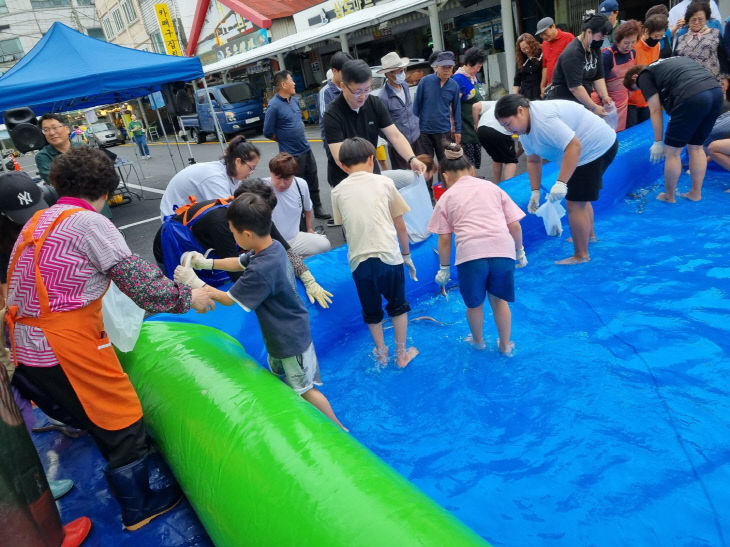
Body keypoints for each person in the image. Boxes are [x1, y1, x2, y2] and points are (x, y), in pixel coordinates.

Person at [5, 147, 214, 531]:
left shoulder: (40, 220)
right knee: (120, 417)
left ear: (55, 184)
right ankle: (138, 508)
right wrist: (190, 297)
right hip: (61, 346)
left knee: (94, 414)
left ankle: (123, 467)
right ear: (106, 191)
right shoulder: (91, 224)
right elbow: (139, 283)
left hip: (26, 347)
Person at [173, 193, 347, 431]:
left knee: (307, 391)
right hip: (279, 336)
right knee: (280, 381)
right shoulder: (270, 247)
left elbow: (227, 300)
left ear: (246, 234)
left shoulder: (263, 269)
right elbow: (238, 262)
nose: (231, 236)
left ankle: (339, 429)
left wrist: (195, 282)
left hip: (291, 341)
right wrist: (207, 264)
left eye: (233, 232)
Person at [158, 179, 333, 307]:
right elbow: (236, 268)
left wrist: (308, 279)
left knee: (205, 283)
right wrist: (206, 264)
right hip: (174, 242)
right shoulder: (226, 223)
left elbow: (235, 292)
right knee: (180, 294)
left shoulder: (255, 215)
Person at [495, 94, 618, 265]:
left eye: (508, 123)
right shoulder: (523, 130)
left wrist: (561, 183)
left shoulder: (544, 120)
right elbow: (533, 160)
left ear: (520, 111)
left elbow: (574, 146)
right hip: (589, 148)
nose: (509, 129)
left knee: (574, 203)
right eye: (504, 126)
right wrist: (535, 191)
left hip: (594, 147)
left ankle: (581, 255)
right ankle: (588, 236)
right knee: (580, 198)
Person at [427, 143, 526, 354]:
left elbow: (444, 238)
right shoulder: (492, 188)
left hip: (471, 255)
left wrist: (444, 268)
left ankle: (478, 341)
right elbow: (514, 224)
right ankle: (506, 345)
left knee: (474, 305)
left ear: (445, 176)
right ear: (472, 170)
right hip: (503, 251)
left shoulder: (446, 198)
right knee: (499, 302)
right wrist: (519, 251)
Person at [330, 137, 418, 368]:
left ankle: (381, 352)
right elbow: (400, 225)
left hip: (360, 263)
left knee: (372, 312)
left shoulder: (337, 191)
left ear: (342, 165)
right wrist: (407, 256)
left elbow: (347, 228)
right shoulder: (384, 183)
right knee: (398, 307)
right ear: (371, 159)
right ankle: (401, 354)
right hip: (389, 256)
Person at [624, 56, 723, 202]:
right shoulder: (666, 62)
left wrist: (658, 141)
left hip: (692, 96)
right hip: (716, 92)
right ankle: (695, 193)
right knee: (696, 148)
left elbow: (655, 110)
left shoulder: (644, 75)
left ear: (635, 77)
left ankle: (669, 196)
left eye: (638, 89)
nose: (643, 90)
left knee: (673, 153)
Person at [323, 59, 426, 187]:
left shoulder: (374, 103)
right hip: (346, 179)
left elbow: (395, 136)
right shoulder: (332, 114)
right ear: (343, 86)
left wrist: (412, 159)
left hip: (372, 169)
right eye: (357, 91)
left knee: (411, 180)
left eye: (367, 90)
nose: (362, 96)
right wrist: (367, 181)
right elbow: (339, 157)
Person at [263, 70, 330, 220]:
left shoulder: (293, 100)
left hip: (306, 149)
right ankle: (300, 218)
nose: (294, 83)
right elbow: (267, 131)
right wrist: (284, 140)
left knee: (313, 180)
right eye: (291, 80)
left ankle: (318, 208)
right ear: (283, 84)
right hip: (291, 155)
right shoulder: (273, 106)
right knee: (296, 186)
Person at [160, 135, 260, 219]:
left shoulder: (231, 172)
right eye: (251, 168)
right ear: (238, 161)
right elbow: (227, 214)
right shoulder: (215, 178)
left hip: (188, 212)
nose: (251, 172)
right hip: (173, 219)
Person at [263, 153, 331, 258]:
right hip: (271, 244)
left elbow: (308, 209)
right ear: (271, 173)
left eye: (287, 179)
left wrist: (309, 229)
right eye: (278, 178)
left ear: (293, 175)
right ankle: (292, 259)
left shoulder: (301, 184)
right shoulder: (262, 187)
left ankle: (293, 258)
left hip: (294, 239)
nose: (282, 183)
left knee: (325, 245)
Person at [547, 13, 614, 117]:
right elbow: (575, 87)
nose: (602, 40)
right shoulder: (573, 53)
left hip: (580, 102)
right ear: (589, 32)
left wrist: (604, 96)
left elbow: (598, 76)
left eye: (604, 38)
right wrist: (594, 107)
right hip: (563, 103)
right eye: (600, 36)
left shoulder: (595, 48)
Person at [375, 51, 425, 170]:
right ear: (388, 74)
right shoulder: (383, 97)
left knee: (422, 171)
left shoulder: (405, 86)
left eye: (402, 70)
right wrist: (394, 139)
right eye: (398, 71)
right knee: (405, 178)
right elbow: (381, 126)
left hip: (416, 137)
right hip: (398, 146)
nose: (402, 73)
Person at [593, 19, 641, 131]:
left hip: (623, 101)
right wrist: (604, 99)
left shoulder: (632, 53)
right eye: (626, 42)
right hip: (607, 102)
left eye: (633, 42)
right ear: (618, 40)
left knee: (621, 132)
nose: (629, 46)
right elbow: (599, 80)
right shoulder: (607, 55)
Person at [413, 51, 462, 162]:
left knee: (445, 163)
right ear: (437, 66)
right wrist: (414, 128)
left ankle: (443, 180)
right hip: (424, 131)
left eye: (449, 67)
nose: (447, 70)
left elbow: (457, 110)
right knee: (426, 165)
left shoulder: (454, 86)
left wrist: (458, 130)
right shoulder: (425, 81)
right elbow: (416, 107)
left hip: (444, 131)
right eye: (444, 67)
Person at [319, 51, 354, 191]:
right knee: (343, 187)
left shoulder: (351, 85)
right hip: (336, 146)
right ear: (334, 71)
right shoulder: (326, 93)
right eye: (345, 71)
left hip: (354, 144)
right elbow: (328, 121)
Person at [627, 14, 669, 128]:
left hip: (648, 98)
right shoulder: (634, 46)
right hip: (631, 101)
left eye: (661, 36)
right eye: (655, 36)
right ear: (646, 31)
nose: (657, 39)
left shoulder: (657, 46)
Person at [673, 1, 729, 84]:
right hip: (686, 84)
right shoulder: (681, 37)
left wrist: (725, 78)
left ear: (706, 19)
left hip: (712, 83)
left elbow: (723, 58)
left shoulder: (715, 34)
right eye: (693, 20)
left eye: (700, 19)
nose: (697, 22)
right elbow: (675, 60)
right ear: (688, 20)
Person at [453, 47, 488, 169]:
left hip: (475, 127)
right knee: (468, 162)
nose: (479, 69)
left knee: (475, 160)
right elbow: (454, 105)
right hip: (465, 128)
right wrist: (455, 127)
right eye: (477, 67)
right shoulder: (458, 79)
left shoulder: (473, 77)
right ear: (468, 63)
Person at [473, 100, 518, 183]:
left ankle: (498, 185)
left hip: (482, 129)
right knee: (511, 161)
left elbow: (475, 106)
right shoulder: (517, 106)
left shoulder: (495, 102)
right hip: (499, 130)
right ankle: (507, 187)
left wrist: (476, 124)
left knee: (497, 159)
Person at [35, 114, 83, 184]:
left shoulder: (83, 148)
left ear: (67, 129)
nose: (51, 133)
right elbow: (55, 183)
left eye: (55, 128)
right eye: (46, 130)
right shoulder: (43, 156)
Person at [536, 17, 575, 97]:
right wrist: (542, 86)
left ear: (553, 26)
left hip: (567, 85)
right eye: (541, 35)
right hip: (552, 87)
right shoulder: (545, 44)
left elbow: (576, 61)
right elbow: (545, 66)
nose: (544, 36)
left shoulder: (568, 38)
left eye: (545, 32)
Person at [513, 33, 543, 100]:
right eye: (523, 49)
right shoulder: (520, 59)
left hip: (540, 90)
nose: (526, 50)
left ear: (532, 44)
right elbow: (517, 80)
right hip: (525, 93)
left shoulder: (542, 53)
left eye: (527, 47)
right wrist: (514, 97)